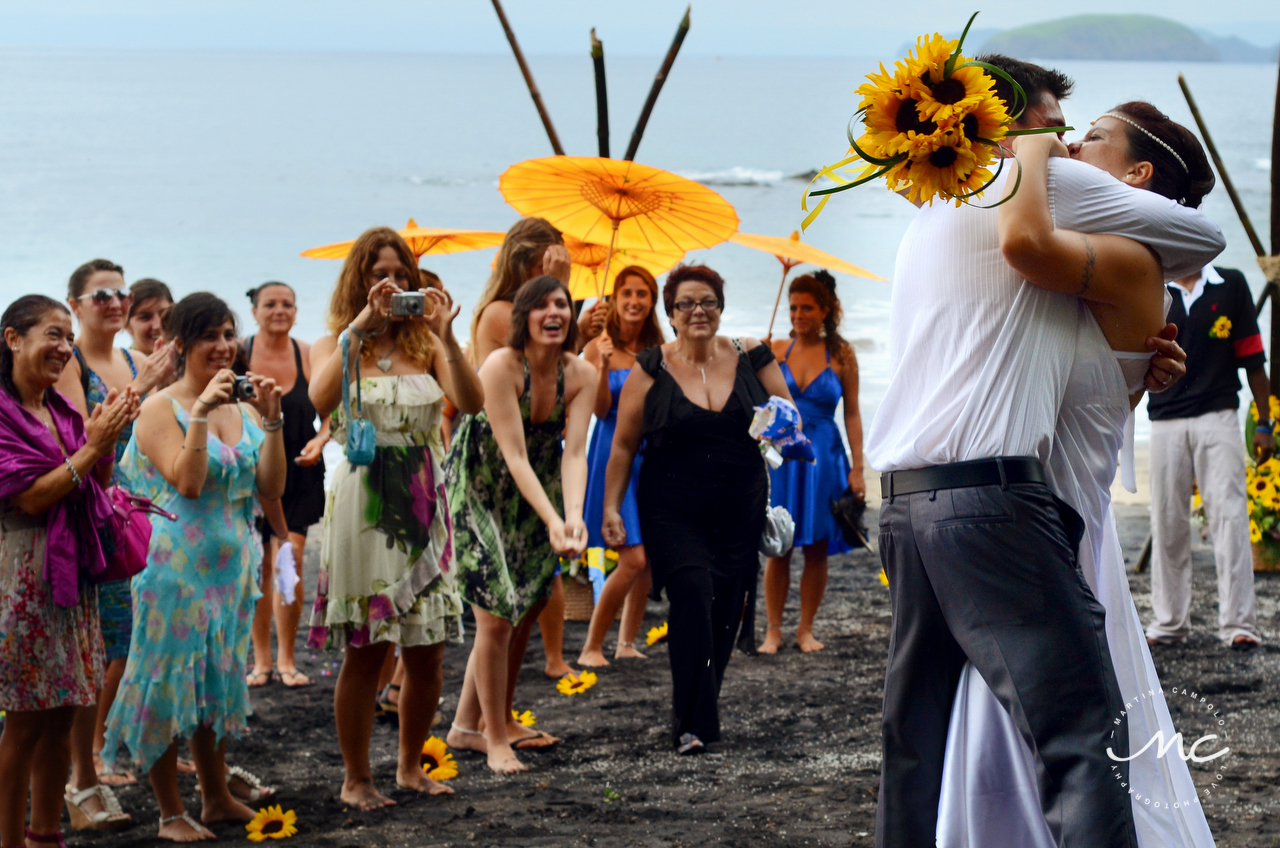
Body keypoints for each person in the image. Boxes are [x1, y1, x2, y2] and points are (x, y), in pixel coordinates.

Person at [864, 53, 1225, 848]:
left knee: (914, 742)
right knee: (1080, 737)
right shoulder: (1038, 182)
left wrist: (1130, 363)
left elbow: (1060, 352)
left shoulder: (937, 209)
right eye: (1059, 124)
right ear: (1021, 125)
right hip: (991, 507)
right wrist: (1036, 154)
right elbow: (1205, 236)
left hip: (904, 505)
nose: (1065, 143)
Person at [307, 227, 483, 811]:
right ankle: (356, 777)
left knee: (427, 645)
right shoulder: (337, 339)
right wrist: (359, 328)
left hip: (425, 495)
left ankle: (410, 765)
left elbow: (472, 402)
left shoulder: (426, 341)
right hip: (363, 499)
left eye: (401, 274)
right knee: (365, 645)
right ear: (359, 280)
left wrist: (447, 332)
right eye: (380, 274)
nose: (393, 284)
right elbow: (320, 400)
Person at [101, 292, 286, 842]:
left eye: (229, 334)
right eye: (210, 336)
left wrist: (272, 424)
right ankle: (169, 811)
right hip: (172, 574)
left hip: (231, 574)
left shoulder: (245, 408)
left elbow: (272, 487)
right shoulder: (163, 408)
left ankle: (216, 796)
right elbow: (188, 481)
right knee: (166, 686)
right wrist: (201, 411)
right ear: (179, 345)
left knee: (216, 684)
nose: (224, 346)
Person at [603, 264, 794, 754]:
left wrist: (777, 428)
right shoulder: (651, 369)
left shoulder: (751, 355)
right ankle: (692, 725)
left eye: (707, 301)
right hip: (672, 509)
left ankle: (697, 704)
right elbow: (623, 446)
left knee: (726, 610)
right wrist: (611, 508)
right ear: (670, 313)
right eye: (686, 303)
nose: (698, 311)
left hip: (739, 507)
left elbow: (788, 422)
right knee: (692, 592)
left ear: (721, 307)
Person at [0, 295, 135, 848]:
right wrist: (89, 453)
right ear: (12, 339)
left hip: (71, 573)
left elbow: (91, 484)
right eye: (51, 335)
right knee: (27, 719)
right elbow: (29, 498)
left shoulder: (57, 410)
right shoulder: (4, 412)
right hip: (24, 575)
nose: (63, 347)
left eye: (66, 338)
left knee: (64, 712)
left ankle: (45, 835)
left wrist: (101, 447)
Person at [445, 275, 594, 774]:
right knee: (494, 615)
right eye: (542, 306)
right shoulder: (499, 366)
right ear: (523, 317)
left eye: (562, 305)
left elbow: (574, 452)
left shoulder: (582, 373)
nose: (554, 313)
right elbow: (512, 454)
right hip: (478, 487)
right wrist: (552, 517)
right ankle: (495, 742)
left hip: (535, 489)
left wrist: (573, 518)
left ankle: (467, 726)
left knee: (521, 605)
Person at [54, 260, 173, 824]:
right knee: (87, 654)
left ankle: (92, 761)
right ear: (74, 304)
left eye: (121, 292)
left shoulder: (133, 358)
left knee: (119, 649)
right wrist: (145, 386)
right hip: (80, 514)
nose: (114, 301)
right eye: (100, 294)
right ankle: (81, 781)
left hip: (123, 517)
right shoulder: (68, 362)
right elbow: (88, 436)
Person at [469, 217, 602, 680]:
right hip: (491, 471)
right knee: (499, 613)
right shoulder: (499, 314)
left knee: (530, 599)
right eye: (552, 260)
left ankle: (490, 719)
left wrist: (579, 330)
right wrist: (560, 291)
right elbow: (529, 358)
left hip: (537, 465)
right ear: (530, 261)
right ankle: (483, 726)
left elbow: (554, 373)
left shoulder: (552, 335)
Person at [1145, 263, 1266, 650]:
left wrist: (1265, 422)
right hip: (1165, 419)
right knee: (1167, 520)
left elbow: (1252, 355)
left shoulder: (1230, 284)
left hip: (1219, 416)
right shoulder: (1152, 288)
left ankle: (1238, 624)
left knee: (1230, 517)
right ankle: (1169, 623)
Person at [760, 270, 864, 654]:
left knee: (817, 547)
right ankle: (773, 631)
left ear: (825, 311)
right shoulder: (775, 350)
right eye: (792, 308)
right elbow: (760, 406)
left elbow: (852, 414)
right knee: (779, 543)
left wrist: (857, 467)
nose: (797, 314)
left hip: (824, 458)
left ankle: (805, 629)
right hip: (783, 457)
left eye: (806, 307)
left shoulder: (842, 355)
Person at [241, 281, 329, 689]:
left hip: (299, 465)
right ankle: (260, 660)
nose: (280, 310)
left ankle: (287, 657)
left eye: (288, 304)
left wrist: (322, 438)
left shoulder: (308, 353)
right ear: (255, 311)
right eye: (270, 304)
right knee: (259, 566)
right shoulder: (239, 352)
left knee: (288, 561)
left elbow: (333, 408)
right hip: (252, 471)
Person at [576, 266, 665, 667]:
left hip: (652, 453)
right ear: (614, 298)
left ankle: (625, 642)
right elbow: (599, 410)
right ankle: (592, 645)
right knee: (633, 557)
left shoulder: (660, 349)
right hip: (612, 449)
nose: (634, 301)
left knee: (648, 551)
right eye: (627, 293)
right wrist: (599, 367)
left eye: (642, 294)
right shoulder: (599, 346)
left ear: (652, 301)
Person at [124, 279, 176, 380]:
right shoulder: (122, 371)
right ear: (127, 326)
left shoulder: (193, 366)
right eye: (145, 317)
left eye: (164, 314)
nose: (158, 325)